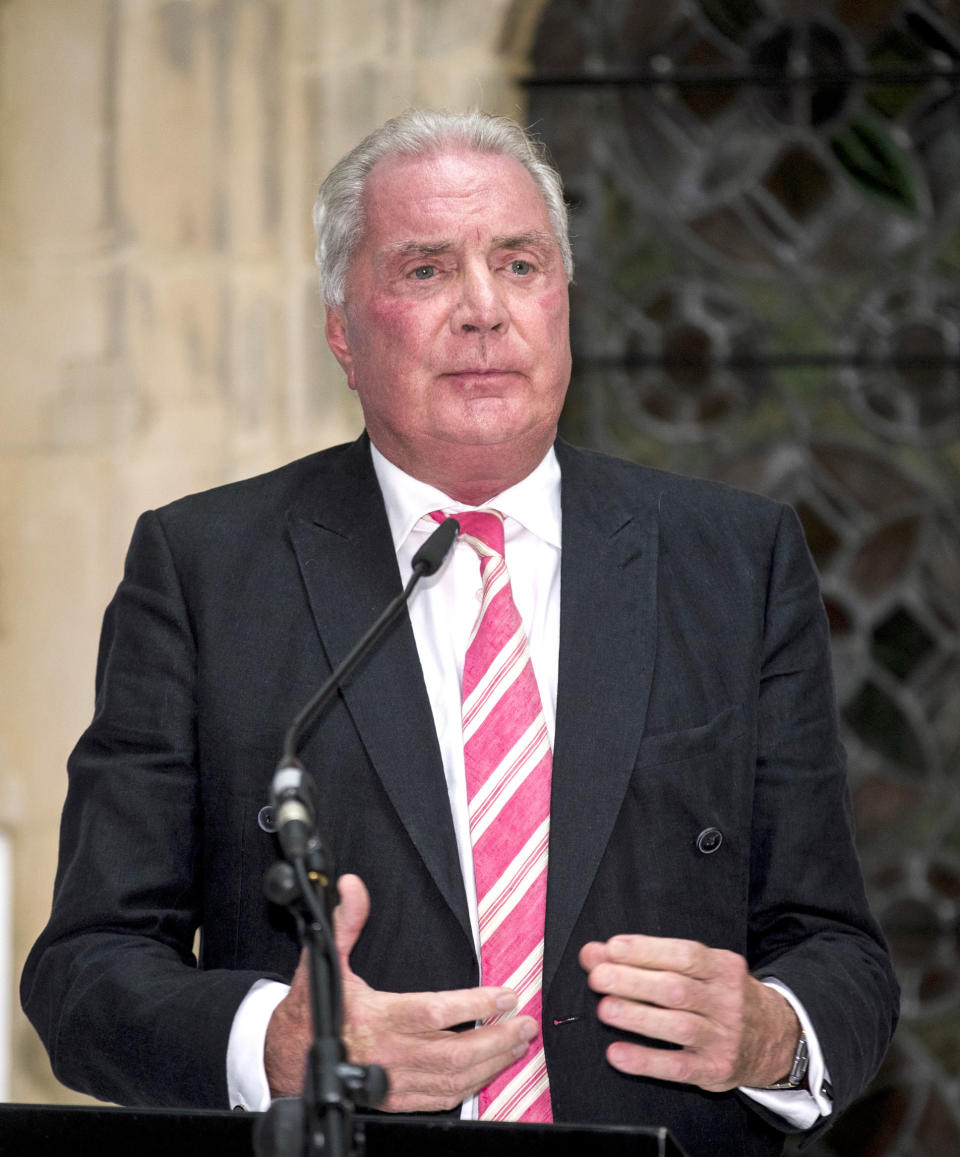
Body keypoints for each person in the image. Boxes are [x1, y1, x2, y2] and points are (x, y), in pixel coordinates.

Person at [22, 110, 898, 1156]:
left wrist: (771, 1032)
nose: (484, 310)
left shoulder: (735, 560)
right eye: (428, 270)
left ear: (564, 300)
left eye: (519, 263)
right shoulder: (206, 569)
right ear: (344, 329)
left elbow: (838, 949)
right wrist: (275, 1044)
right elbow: (83, 973)